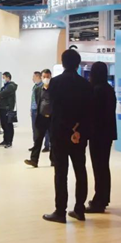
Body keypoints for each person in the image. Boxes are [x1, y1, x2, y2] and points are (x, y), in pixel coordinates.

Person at [43, 49, 92, 224]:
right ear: (78, 64)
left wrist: (67, 125)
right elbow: (88, 111)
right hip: (79, 134)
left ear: (63, 63)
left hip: (60, 133)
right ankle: (79, 209)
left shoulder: (55, 82)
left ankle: (60, 211)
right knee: (80, 170)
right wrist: (77, 128)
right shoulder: (85, 84)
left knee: (61, 173)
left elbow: (54, 108)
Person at [86, 62, 118, 213]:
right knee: (103, 166)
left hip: (97, 134)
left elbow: (93, 113)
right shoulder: (109, 89)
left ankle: (99, 200)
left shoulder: (96, 90)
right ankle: (103, 198)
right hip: (107, 133)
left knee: (98, 167)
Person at [25, 69, 54, 168]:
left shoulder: (55, 89)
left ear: (50, 77)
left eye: (48, 76)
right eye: (44, 77)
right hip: (41, 117)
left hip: (52, 118)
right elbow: (36, 102)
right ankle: (34, 160)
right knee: (38, 139)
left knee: (53, 140)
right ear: (41, 77)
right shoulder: (37, 90)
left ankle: (54, 160)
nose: (46, 78)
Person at [0, 72, 18, 148]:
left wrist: (0, 95)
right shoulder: (4, 87)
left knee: (8, 126)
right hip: (2, 108)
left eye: (4, 77)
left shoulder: (11, 86)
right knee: (4, 125)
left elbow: (1, 94)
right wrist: (0, 95)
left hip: (7, 109)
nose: (3, 79)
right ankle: (5, 140)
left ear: (8, 78)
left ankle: (9, 141)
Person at [29, 71, 49, 152]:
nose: (33, 79)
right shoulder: (35, 87)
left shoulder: (43, 87)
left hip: (41, 111)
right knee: (35, 128)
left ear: (38, 77)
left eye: (34, 77)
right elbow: (33, 99)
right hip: (34, 110)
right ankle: (35, 145)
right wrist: (31, 109)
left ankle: (47, 145)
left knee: (45, 129)